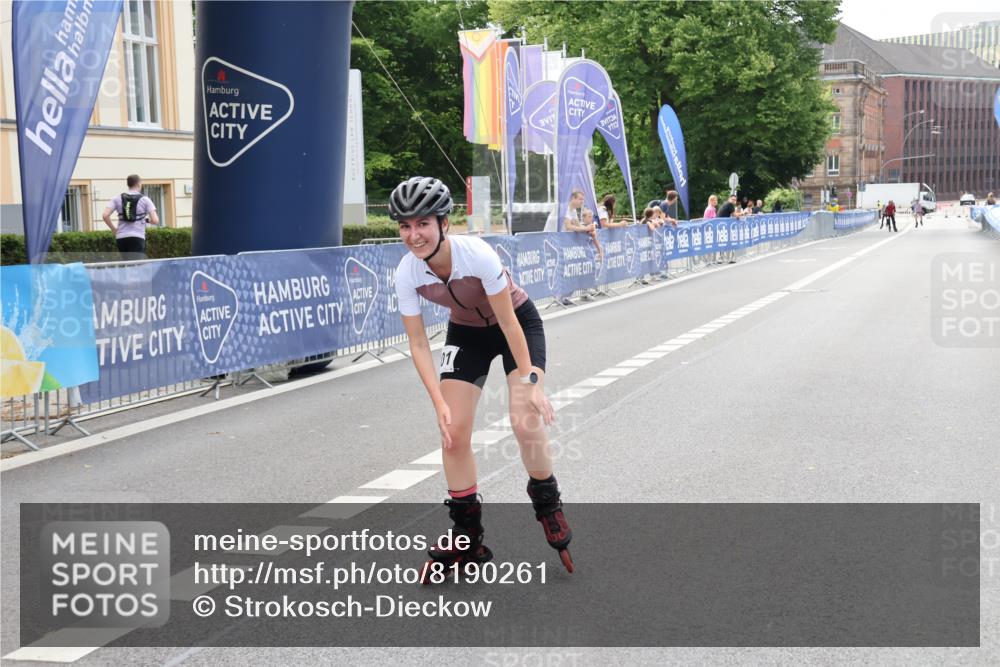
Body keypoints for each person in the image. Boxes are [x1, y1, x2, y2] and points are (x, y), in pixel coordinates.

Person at [388, 177, 573, 577]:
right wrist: (438, 401)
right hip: (466, 334)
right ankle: (467, 534)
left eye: (422, 224)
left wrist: (531, 382)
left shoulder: (477, 255)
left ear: (443, 224)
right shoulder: (407, 273)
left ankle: (547, 502)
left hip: (516, 326)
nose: (413, 235)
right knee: (452, 432)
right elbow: (419, 344)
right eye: (405, 226)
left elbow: (508, 323)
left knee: (524, 418)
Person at [102, 174, 159, 259]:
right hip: (137, 236)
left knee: (127, 265)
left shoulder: (117, 198)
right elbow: (155, 220)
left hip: (121, 237)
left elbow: (105, 215)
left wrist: (113, 229)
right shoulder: (145, 199)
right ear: (139, 184)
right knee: (136, 267)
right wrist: (146, 220)